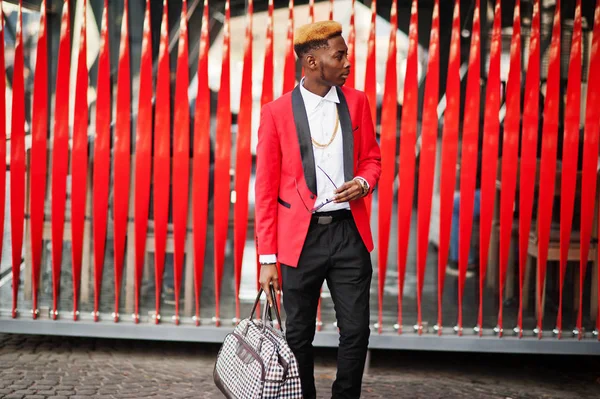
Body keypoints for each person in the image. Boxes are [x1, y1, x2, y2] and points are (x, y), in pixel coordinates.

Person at [254, 21, 381, 399]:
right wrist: (266, 258)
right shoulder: (276, 113)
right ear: (311, 61)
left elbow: (373, 159)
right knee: (298, 335)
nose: (347, 61)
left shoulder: (357, 103)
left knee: (357, 330)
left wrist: (363, 182)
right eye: (338, 55)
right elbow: (265, 189)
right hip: (299, 239)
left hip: (348, 233)